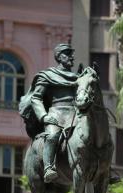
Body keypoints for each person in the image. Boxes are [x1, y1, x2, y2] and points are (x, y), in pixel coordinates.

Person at [30, 44, 78, 183]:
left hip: (76, 114)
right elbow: (36, 97)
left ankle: (104, 168)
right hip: (57, 113)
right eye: (67, 54)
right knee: (52, 136)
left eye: (71, 54)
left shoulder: (78, 77)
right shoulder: (48, 75)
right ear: (59, 56)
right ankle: (49, 168)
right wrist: (44, 116)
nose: (71, 57)